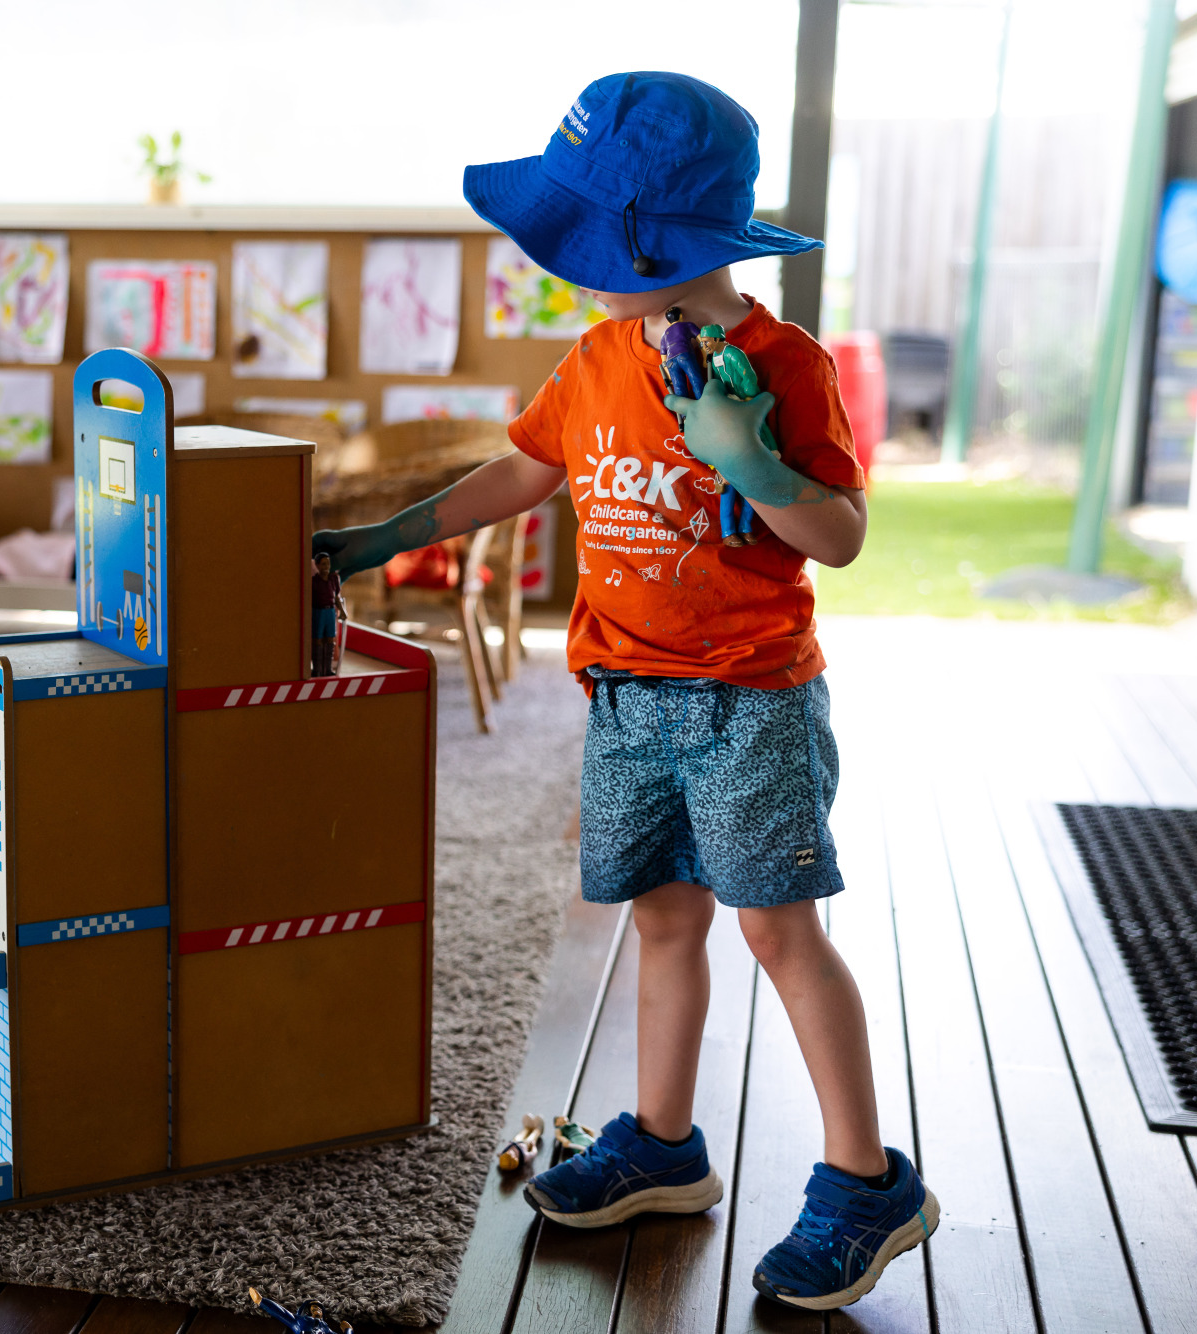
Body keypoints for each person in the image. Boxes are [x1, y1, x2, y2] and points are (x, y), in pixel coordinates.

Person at [313, 71, 936, 1312]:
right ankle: (663, 1144)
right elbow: (518, 474)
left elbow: (838, 535)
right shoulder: (595, 358)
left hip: (747, 702)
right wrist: (379, 538)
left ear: (664, 242)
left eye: (590, 242)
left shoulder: (785, 365)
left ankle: (866, 1180)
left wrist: (746, 455)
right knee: (659, 920)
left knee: (777, 930)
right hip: (624, 697)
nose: (568, 267)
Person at [697, 321, 781, 546]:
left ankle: (745, 526)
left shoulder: (733, 354)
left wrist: (748, 397)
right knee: (728, 491)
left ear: (716, 340)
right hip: (728, 453)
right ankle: (728, 531)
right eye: (702, 343)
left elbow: (747, 376)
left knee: (751, 492)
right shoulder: (713, 359)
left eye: (706, 342)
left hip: (745, 400)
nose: (704, 346)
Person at [310, 550, 346, 676]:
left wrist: (342, 610)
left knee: (330, 640)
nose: (326, 567)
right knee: (317, 640)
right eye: (323, 564)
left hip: (330, 612)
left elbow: (336, 597)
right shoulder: (314, 581)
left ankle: (327, 669)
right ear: (318, 566)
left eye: (328, 564)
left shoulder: (333, 579)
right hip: (318, 612)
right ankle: (317, 669)